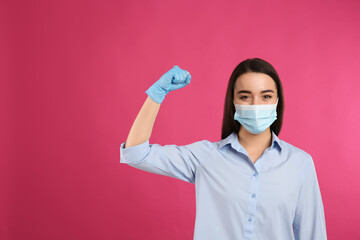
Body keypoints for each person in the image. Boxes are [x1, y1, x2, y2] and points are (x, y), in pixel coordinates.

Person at [120, 58, 327, 240]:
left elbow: (313, 234)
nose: (256, 104)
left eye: (266, 96)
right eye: (245, 96)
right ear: (233, 102)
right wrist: (157, 93)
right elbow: (136, 154)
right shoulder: (205, 157)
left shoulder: (300, 163)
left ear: (277, 101)